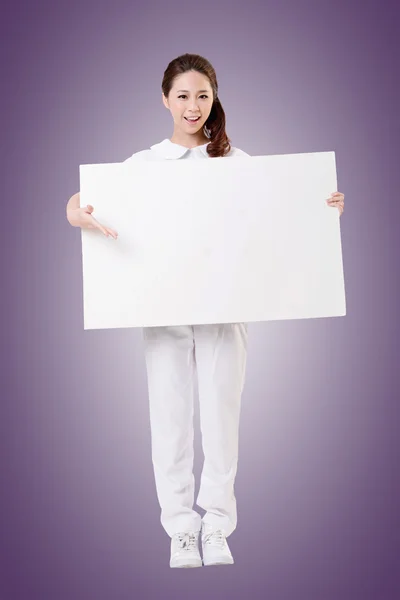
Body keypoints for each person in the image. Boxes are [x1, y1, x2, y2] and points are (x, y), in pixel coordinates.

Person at [66, 53, 345, 569]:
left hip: (225, 306)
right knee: (169, 419)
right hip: (165, 309)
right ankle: (179, 528)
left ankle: (216, 525)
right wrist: (74, 210)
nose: (192, 106)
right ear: (165, 100)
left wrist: (322, 205)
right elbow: (88, 200)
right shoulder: (145, 164)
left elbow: (278, 210)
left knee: (222, 416)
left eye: (202, 95)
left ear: (213, 97)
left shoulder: (234, 161)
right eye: (182, 96)